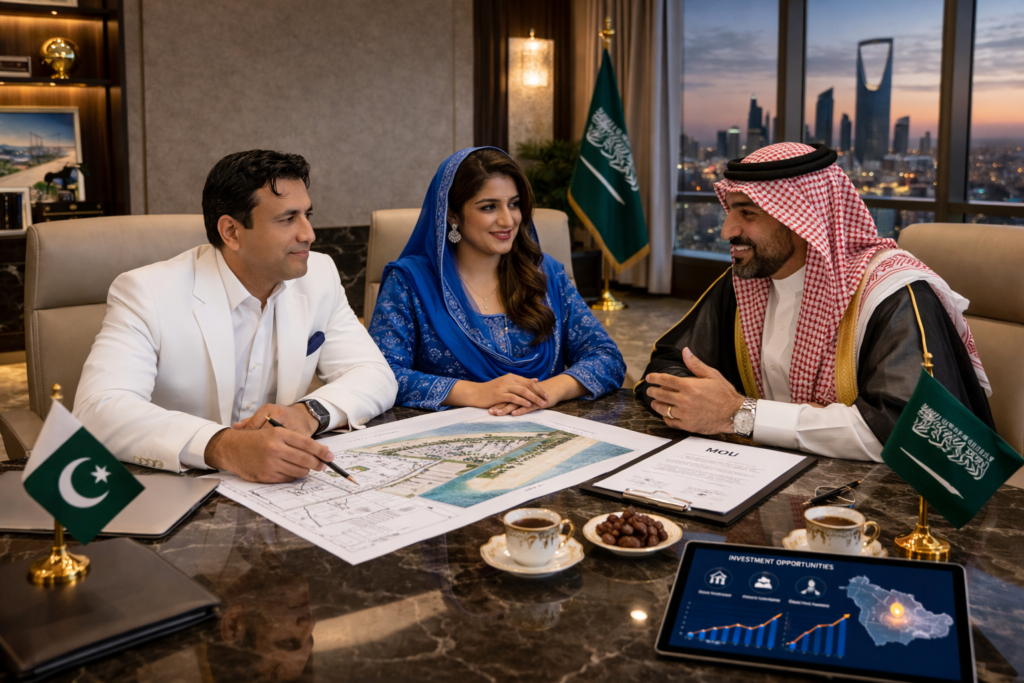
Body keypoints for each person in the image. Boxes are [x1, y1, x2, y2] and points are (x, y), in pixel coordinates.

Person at [637, 142, 993, 460]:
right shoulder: (747, 280)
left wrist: (741, 414)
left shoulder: (892, 294)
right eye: (729, 211)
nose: (727, 230)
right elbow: (669, 362)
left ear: (802, 219)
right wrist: (695, 402)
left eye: (747, 213)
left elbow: (912, 431)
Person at [74, 150, 397, 482]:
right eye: (288, 219)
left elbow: (375, 374)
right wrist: (225, 447)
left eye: (307, 215)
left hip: (278, 489)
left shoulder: (319, 275)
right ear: (231, 232)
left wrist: (308, 413)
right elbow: (98, 410)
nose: (308, 234)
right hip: (177, 487)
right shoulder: (145, 292)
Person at [368, 147, 624, 414]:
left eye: (513, 204)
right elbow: (382, 375)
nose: (507, 220)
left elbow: (607, 357)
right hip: (447, 440)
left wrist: (547, 392)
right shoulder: (410, 282)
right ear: (452, 215)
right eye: (489, 207)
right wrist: (476, 393)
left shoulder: (545, 274)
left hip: (546, 431)